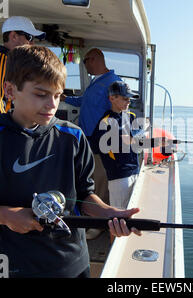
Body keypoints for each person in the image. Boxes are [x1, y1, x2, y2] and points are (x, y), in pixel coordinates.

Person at [0, 45, 141, 278]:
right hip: (13, 268)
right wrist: (5, 215)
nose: (52, 105)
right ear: (10, 90)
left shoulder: (74, 137)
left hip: (73, 264)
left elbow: (85, 195)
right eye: (40, 94)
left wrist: (106, 212)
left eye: (57, 95)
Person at [90, 81, 170, 241]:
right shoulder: (105, 122)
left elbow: (137, 142)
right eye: (125, 99)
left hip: (135, 171)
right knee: (116, 220)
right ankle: (113, 249)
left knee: (130, 214)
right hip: (119, 177)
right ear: (112, 98)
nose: (129, 102)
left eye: (130, 99)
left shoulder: (132, 117)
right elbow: (100, 146)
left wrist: (158, 143)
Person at [64, 48, 121, 239]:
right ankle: (89, 216)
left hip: (100, 141)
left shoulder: (114, 82)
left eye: (85, 61)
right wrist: (65, 99)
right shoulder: (95, 82)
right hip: (86, 140)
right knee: (88, 178)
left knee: (100, 179)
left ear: (94, 59)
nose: (84, 65)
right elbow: (84, 102)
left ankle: (99, 224)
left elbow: (119, 111)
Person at [0, 16, 46, 128]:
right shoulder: (1, 61)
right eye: (29, 37)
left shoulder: (14, 63)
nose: (32, 43)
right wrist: (4, 134)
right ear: (14, 36)